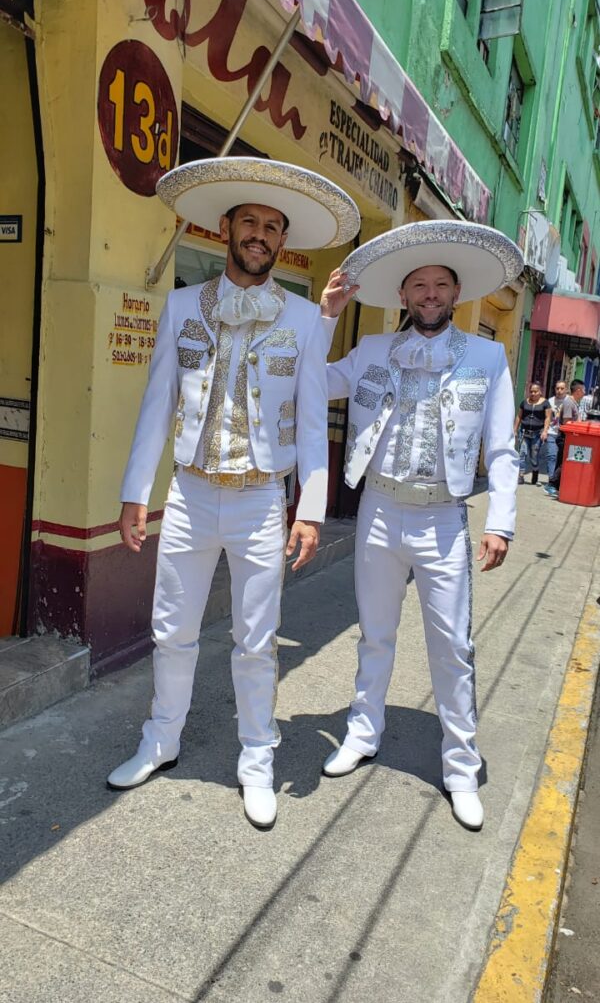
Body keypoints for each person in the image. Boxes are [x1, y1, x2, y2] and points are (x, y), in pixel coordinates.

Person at [107, 157, 360, 829]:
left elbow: (311, 423)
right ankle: (161, 739)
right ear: (226, 228)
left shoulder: (307, 320)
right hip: (189, 495)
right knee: (172, 629)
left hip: (257, 501)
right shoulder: (183, 304)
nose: (259, 233)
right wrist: (138, 491)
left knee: (257, 640)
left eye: (271, 226)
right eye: (248, 221)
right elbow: (157, 404)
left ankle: (256, 757)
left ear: (283, 242)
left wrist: (309, 509)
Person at [321, 220, 523, 832]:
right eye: (418, 286)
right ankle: (363, 732)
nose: (429, 294)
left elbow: (504, 449)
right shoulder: (374, 351)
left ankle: (460, 765)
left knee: (452, 647)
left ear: (456, 295)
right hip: (379, 510)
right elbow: (311, 381)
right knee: (374, 632)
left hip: (443, 518)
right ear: (404, 297)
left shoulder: (488, 357)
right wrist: (326, 316)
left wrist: (502, 523)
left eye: (440, 285)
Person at [543, 378, 586, 497]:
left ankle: (554, 487)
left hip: (569, 437)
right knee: (565, 462)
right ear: (578, 390)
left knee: (560, 461)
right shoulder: (569, 403)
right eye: (583, 390)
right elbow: (567, 423)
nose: (584, 393)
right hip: (565, 437)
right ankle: (551, 484)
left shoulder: (572, 402)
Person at [513, 381, 551, 485]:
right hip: (524, 432)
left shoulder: (545, 403)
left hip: (537, 434)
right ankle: (520, 475)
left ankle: (535, 472)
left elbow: (548, 417)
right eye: (531, 391)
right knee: (522, 453)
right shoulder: (524, 402)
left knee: (534, 456)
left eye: (535, 391)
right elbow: (519, 416)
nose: (533, 393)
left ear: (540, 392)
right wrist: (515, 429)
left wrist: (545, 431)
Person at [544, 379, 567, 480]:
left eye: (562, 388)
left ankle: (557, 479)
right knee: (551, 455)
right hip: (552, 432)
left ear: (566, 389)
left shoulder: (568, 401)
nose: (559, 390)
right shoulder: (550, 401)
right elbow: (547, 417)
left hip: (563, 433)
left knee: (560, 458)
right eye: (557, 388)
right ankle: (551, 479)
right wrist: (545, 430)